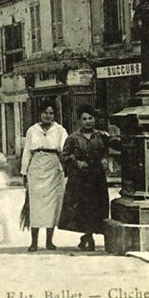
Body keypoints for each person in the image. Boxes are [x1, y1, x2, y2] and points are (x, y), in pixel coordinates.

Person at [59, 104, 118, 251]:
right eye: (84, 119)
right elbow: (64, 156)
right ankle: (88, 236)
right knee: (83, 208)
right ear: (79, 121)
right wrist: (76, 162)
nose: (88, 121)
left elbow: (112, 147)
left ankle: (89, 235)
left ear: (95, 119)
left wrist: (106, 158)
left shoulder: (102, 136)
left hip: (97, 177)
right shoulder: (73, 138)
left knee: (98, 207)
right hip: (80, 179)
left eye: (90, 118)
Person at [20, 99, 68, 252]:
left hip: (54, 167)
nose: (48, 116)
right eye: (45, 113)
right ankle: (34, 242)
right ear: (40, 114)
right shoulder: (32, 130)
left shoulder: (60, 131)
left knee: (52, 206)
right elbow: (27, 152)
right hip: (36, 167)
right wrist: (24, 172)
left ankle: (49, 241)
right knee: (35, 205)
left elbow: (65, 151)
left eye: (51, 113)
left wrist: (65, 170)